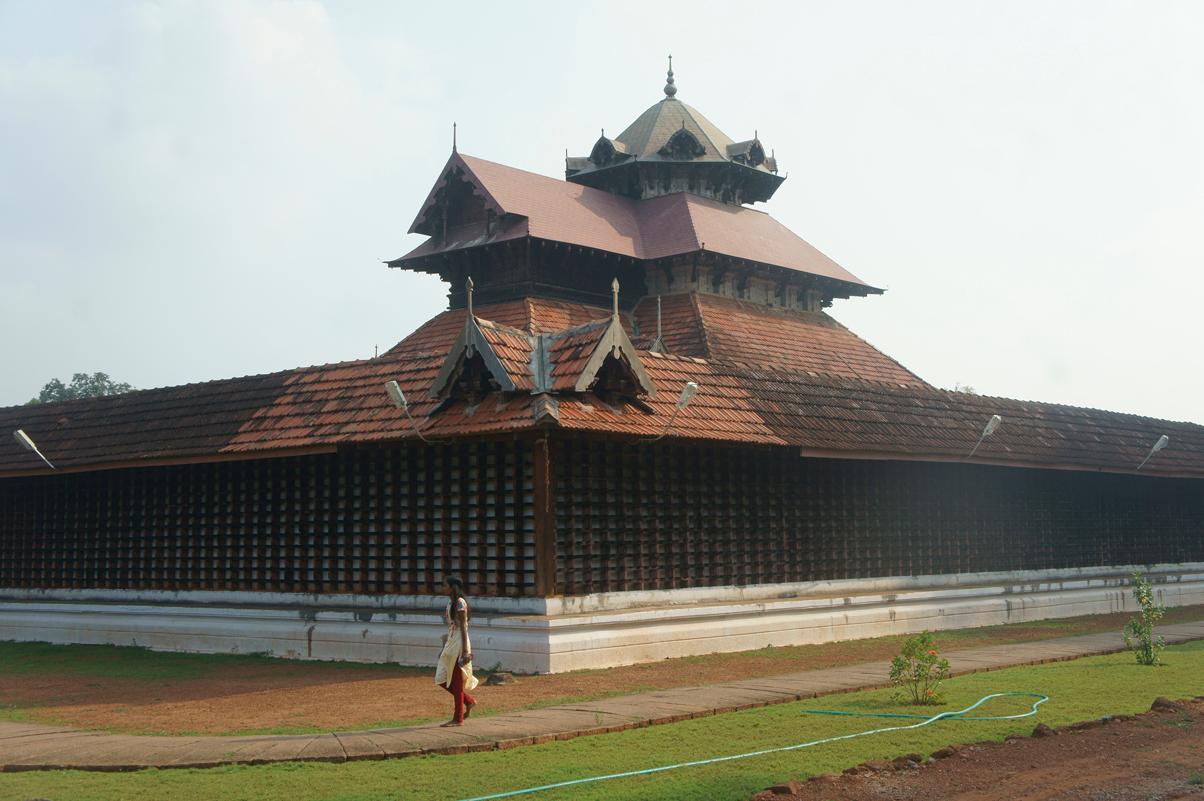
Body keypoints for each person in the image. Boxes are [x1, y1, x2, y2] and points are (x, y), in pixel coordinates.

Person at [435, 576, 479, 726]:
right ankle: (468, 701)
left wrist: (465, 651)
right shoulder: (450, 603)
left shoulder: (460, 603)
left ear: (453, 587)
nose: (443, 588)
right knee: (441, 678)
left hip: (460, 643)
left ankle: (458, 718)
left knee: (456, 681)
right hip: (451, 642)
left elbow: (463, 628)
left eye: (445, 585)